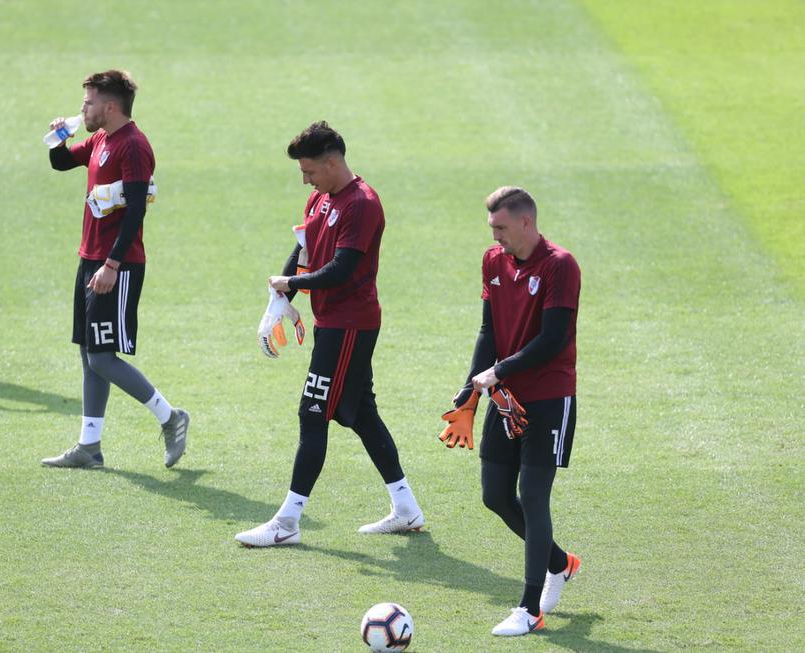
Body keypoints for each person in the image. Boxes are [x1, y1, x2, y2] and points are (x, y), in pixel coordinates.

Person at [235, 121, 424, 547]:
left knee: (313, 414)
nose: (305, 179)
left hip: (350, 326)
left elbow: (343, 269)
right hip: (333, 324)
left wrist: (295, 287)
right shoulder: (319, 199)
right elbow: (302, 251)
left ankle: (287, 522)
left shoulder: (362, 204)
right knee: (360, 413)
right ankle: (407, 508)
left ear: (333, 161)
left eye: (310, 171)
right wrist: (278, 301)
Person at [449, 186, 581, 636]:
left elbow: (552, 340)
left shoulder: (560, 266)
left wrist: (498, 371)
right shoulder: (492, 261)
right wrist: (470, 388)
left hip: (549, 396)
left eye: (502, 227)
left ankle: (529, 608)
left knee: (535, 494)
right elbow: (488, 330)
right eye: (492, 229)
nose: (496, 236)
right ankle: (561, 563)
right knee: (495, 495)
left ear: (526, 222)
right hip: (505, 398)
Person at [41, 70, 189, 470]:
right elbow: (60, 164)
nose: (82, 109)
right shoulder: (101, 139)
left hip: (115, 266)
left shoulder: (134, 146)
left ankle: (171, 417)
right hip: (90, 258)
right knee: (89, 354)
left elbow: (137, 209)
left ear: (110, 106)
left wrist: (111, 264)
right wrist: (59, 137)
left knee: (103, 358)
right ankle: (89, 447)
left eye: (88, 102)